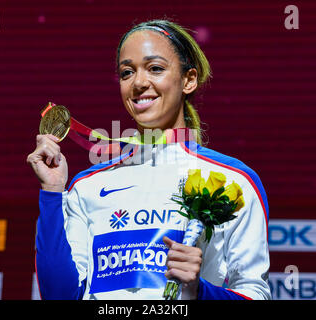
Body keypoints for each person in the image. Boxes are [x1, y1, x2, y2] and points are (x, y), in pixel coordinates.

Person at [26, 19, 271, 300]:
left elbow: (255, 294)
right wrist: (52, 193)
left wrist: (198, 291)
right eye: (127, 72)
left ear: (188, 80)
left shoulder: (232, 180)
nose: (139, 83)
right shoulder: (87, 185)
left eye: (155, 68)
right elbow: (60, 296)